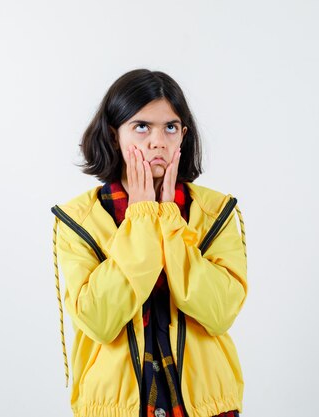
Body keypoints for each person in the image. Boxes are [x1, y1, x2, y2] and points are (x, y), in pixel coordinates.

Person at [50, 68, 248, 417]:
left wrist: (168, 218)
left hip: (205, 407)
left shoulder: (215, 211)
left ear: (183, 136)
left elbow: (219, 312)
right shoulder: (79, 220)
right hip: (115, 408)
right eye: (141, 126)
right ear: (114, 136)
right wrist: (141, 219)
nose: (158, 141)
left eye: (170, 127)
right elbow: (99, 319)